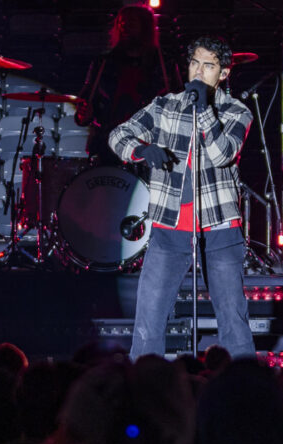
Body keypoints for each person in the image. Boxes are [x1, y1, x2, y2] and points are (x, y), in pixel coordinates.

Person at [109, 36, 256, 359]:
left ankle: (244, 390)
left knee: (233, 320)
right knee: (149, 321)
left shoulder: (236, 111)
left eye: (209, 65)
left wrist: (203, 110)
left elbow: (222, 154)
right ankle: (143, 391)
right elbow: (117, 134)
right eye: (194, 63)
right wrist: (141, 149)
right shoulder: (164, 106)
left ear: (224, 73)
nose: (199, 72)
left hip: (218, 227)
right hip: (169, 226)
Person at [74, 5, 182, 166]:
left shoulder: (164, 65)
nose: (125, 28)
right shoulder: (103, 64)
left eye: (131, 23)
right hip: (110, 144)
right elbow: (86, 107)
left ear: (144, 28)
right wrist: (85, 114)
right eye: (121, 24)